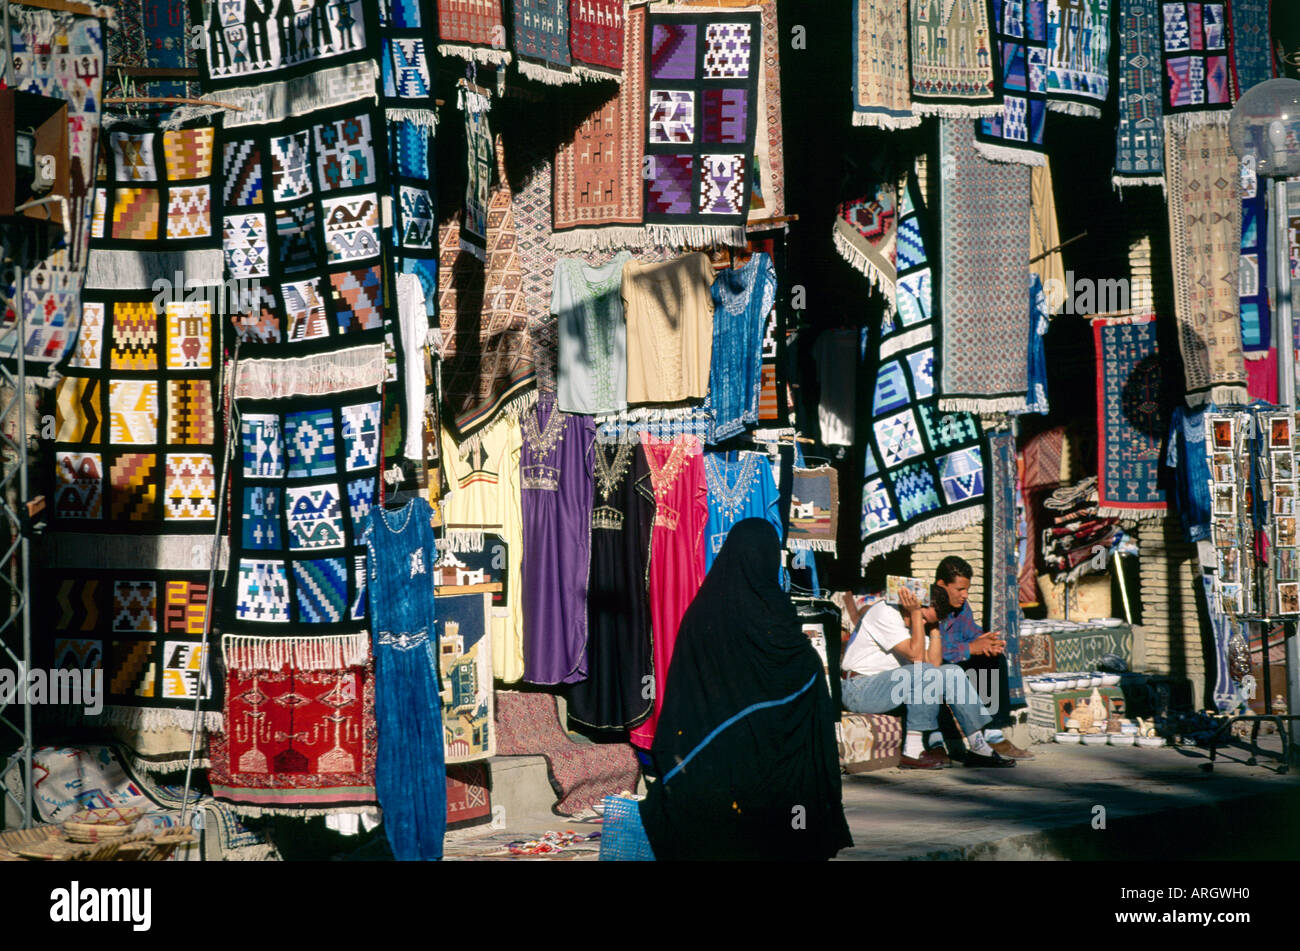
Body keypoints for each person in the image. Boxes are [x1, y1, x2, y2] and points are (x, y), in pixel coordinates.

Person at [638, 519, 853, 860]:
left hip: (707, 772)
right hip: (774, 783)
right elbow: (804, 674)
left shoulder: (701, 612)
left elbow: (683, 694)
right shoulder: (775, 612)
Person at [840, 587, 1016, 768]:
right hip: (860, 688)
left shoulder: (919, 622)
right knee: (923, 670)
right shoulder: (885, 612)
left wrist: (934, 629)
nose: (922, 622)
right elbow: (918, 659)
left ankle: (979, 746)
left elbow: (934, 664)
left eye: (927, 621)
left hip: (893, 688)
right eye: (923, 617)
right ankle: (913, 751)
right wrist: (916, 613)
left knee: (951, 672)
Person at [931, 556, 1033, 759]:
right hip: (934, 666)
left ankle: (993, 734)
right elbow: (935, 649)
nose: (965, 595)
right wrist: (971, 647)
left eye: (967, 589)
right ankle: (935, 739)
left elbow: (971, 632)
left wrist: (986, 642)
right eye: (960, 589)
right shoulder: (928, 608)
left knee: (993, 659)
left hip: (956, 663)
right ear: (941, 585)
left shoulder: (961, 607)